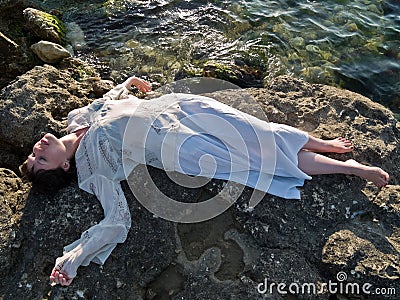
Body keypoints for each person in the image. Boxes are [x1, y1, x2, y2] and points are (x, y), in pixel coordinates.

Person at [20, 76, 389, 286]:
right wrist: (74, 258)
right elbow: (115, 220)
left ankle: (322, 143)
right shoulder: (92, 168)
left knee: (260, 129)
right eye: (40, 160)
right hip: (183, 147)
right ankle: (352, 168)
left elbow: (111, 101)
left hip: (180, 107)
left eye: (34, 152)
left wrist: (128, 83)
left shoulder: (76, 118)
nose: (38, 148)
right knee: (265, 159)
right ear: (62, 169)